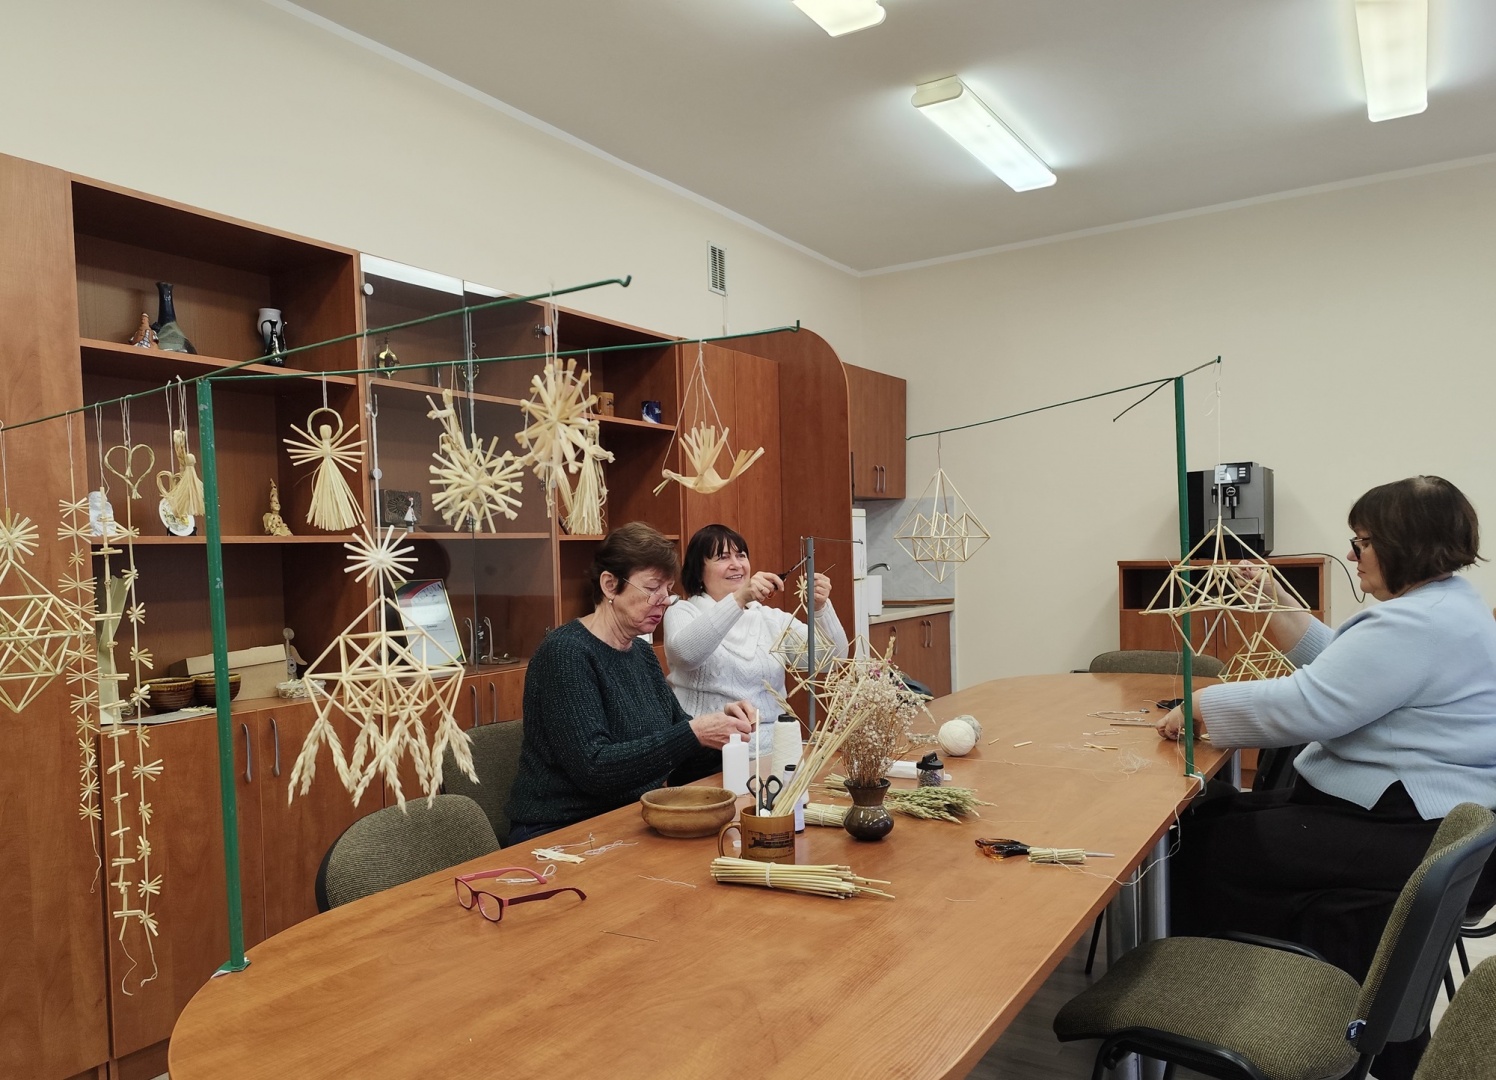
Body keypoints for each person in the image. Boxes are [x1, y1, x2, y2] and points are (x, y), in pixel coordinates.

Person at [1156, 476, 1496, 1079]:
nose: (1352, 553)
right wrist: (1275, 602)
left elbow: (1310, 705)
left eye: (1362, 541)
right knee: (1213, 810)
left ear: (1404, 545)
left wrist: (1202, 705)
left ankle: (1208, 1004)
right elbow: (1350, 669)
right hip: (1419, 818)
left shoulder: (1417, 624)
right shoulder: (1447, 606)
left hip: (1407, 826)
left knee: (1196, 840)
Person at [505, 522, 755, 845]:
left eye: (668, 589)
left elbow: (680, 759)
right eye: (652, 588)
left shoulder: (641, 652)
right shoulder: (565, 654)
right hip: (558, 831)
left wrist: (725, 730)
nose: (665, 601)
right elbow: (594, 768)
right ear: (610, 585)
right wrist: (694, 733)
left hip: (625, 819)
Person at [664, 524, 849, 758]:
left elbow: (832, 660)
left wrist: (821, 608)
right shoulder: (683, 611)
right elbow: (686, 654)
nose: (736, 564)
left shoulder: (770, 619)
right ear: (699, 571)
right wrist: (739, 598)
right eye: (722, 557)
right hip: (708, 756)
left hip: (775, 752)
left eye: (741, 555)